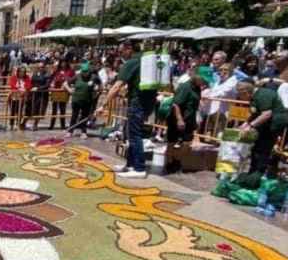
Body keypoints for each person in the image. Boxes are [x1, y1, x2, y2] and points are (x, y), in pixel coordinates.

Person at [97, 41, 158, 179]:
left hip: (137, 103)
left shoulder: (131, 63)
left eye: (121, 51)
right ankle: (130, 165)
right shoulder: (146, 60)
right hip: (147, 102)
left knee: (135, 135)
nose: (120, 54)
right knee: (131, 134)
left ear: (129, 48)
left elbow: (117, 86)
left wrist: (103, 105)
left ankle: (139, 168)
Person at [237, 80, 288, 176]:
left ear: (245, 92)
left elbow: (266, 114)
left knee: (263, 150)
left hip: (273, 124)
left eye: (239, 94)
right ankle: (253, 172)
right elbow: (256, 113)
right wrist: (245, 124)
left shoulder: (263, 95)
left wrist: (251, 126)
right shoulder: (253, 97)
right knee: (256, 149)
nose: (239, 96)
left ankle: (257, 174)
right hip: (266, 124)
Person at [168, 73, 204, 146]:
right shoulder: (185, 87)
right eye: (202, 80)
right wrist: (179, 120)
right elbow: (176, 104)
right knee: (174, 145)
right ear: (196, 77)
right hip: (179, 121)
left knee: (187, 144)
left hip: (189, 121)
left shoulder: (197, 88)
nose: (203, 83)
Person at [66, 69, 96, 137]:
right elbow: (65, 83)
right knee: (74, 116)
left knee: (84, 117)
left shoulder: (93, 77)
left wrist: (97, 90)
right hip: (76, 100)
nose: (85, 73)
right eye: (84, 72)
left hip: (87, 100)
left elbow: (100, 84)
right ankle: (70, 131)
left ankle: (83, 132)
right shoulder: (77, 76)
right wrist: (69, 90)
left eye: (86, 72)